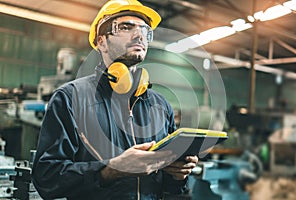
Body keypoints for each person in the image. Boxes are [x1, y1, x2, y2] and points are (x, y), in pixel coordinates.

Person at [32, 0, 198, 199]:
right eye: (126, 27)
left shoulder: (160, 106)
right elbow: (47, 178)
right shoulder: (70, 98)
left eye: (144, 30)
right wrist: (111, 170)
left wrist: (178, 175)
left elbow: (168, 188)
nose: (138, 35)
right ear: (101, 42)